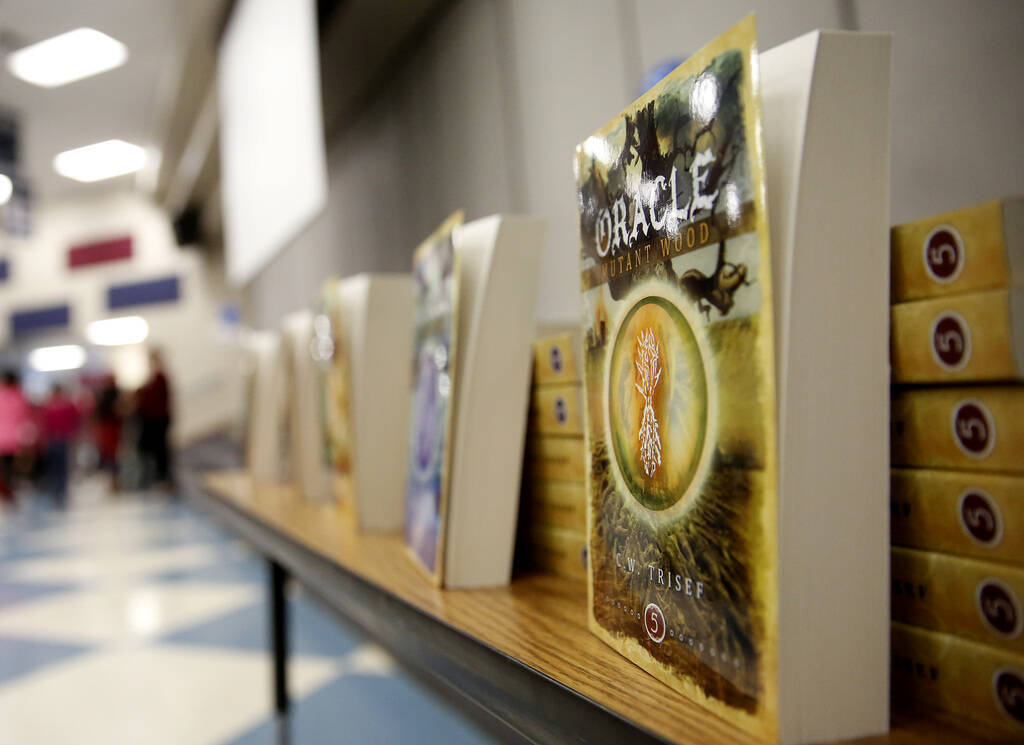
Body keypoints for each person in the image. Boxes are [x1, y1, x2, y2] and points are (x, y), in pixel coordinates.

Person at [137, 349, 173, 489]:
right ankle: (155, 478)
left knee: (160, 451)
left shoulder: (160, 377)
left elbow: (155, 400)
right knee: (151, 450)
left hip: (158, 420)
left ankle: (162, 479)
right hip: (152, 420)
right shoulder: (153, 378)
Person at [42, 384, 79, 508]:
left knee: (60, 466)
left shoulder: (52, 406)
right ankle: (58, 490)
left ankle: (60, 490)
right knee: (58, 466)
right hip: (56, 439)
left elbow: (74, 421)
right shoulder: (55, 405)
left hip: (61, 439)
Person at [0, 371, 29, 503]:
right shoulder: (19, 396)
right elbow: (24, 418)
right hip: (13, 440)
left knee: (4, 467)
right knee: (10, 468)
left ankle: (6, 491)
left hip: (2, 439)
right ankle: (8, 490)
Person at [93, 374, 123, 493]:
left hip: (112, 429)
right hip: (109, 429)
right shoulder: (109, 394)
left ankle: (115, 482)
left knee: (112, 456)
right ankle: (113, 482)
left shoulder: (112, 394)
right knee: (110, 456)